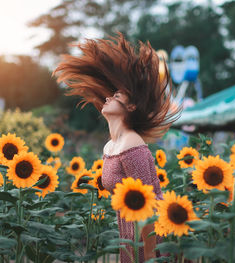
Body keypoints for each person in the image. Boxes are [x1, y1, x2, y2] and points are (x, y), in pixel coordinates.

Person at [54, 33, 181, 262]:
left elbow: (150, 203)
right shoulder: (111, 146)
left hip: (150, 237)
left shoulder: (132, 143)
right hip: (129, 235)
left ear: (131, 106)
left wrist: (150, 254)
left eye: (116, 95)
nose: (108, 98)